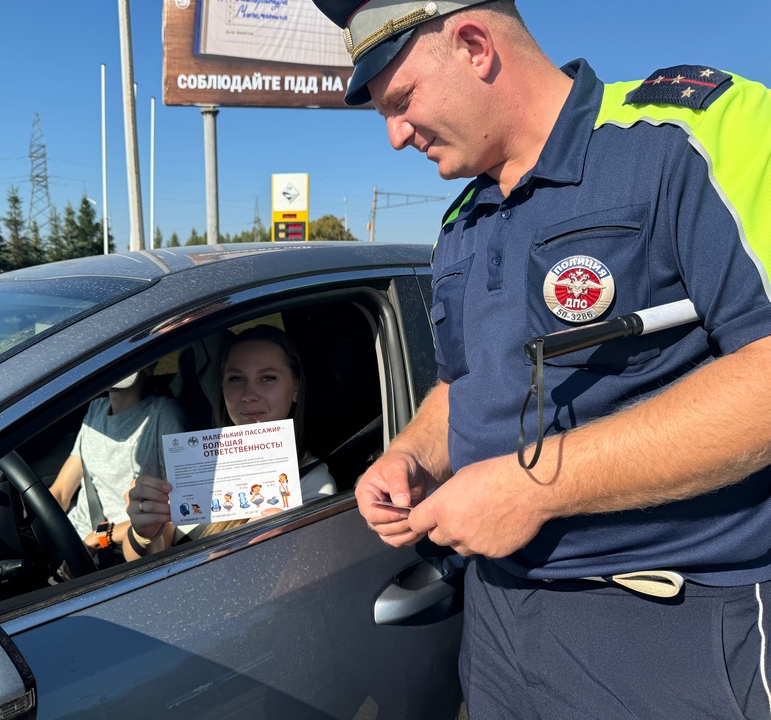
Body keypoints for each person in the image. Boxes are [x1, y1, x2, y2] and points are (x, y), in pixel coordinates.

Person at [312, 1, 771, 718]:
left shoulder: (688, 135)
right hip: (499, 623)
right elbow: (464, 384)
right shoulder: (463, 220)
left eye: (400, 103)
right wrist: (411, 455)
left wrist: (536, 488)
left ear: (473, 45)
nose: (397, 136)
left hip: (672, 623)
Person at [123, 325, 336, 559]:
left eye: (267, 378)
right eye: (236, 379)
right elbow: (144, 558)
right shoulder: (195, 462)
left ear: (295, 388)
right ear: (222, 387)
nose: (249, 394)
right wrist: (144, 532)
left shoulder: (313, 483)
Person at [49, 365, 188, 565]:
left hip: (116, 551)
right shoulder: (95, 409)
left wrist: (99, 538)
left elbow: (176, 508)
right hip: (71, 542)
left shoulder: (164, 414)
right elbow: (62, 491)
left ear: (150, 365)